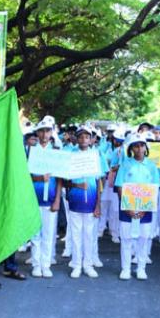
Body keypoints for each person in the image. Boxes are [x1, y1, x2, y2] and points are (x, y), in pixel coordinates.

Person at [115, 133, 160, 280]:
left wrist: (145, 208)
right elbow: (120, 187)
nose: (139, 148)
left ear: (145, 148)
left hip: (145, 209)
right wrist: (127, 207)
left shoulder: (151, 166)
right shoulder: (125, 165)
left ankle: (141, 268)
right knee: (126, 239)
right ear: (131, 149)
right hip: (127, 209)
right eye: (136, 146)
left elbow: (155, 189)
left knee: (143, 239)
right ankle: (126, 269)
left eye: (141, 145)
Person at [66, 126, 106, 278]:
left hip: (91, 203)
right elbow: (66, 181)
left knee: (89, 235)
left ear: (91, 139)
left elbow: (99, 181)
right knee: (76, 234)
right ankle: (76, 265)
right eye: (80, 137)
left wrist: (98, 204)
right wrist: (77, 185)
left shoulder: (96, 155)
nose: (83, 140)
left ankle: (88, 264)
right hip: (75, 200)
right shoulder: (70, 155)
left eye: (86, 137)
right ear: (76, 139)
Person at [28, 119, 62, 278]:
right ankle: (36, 264)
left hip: (51, 199)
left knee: (49, 233)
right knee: (35, 233)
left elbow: (60, 177)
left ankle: (46, 265)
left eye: (48, 131)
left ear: (51, 133)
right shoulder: (31, 150)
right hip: (33, 197)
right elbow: (25, 175)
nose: (44, 134)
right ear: (37, 133)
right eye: (41, 131)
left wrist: (57, 200)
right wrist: (38, 179)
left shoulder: (56, 150)